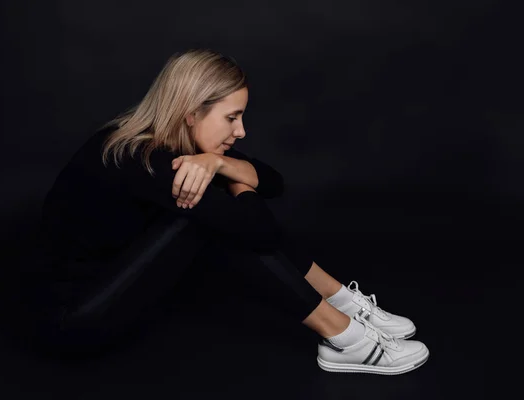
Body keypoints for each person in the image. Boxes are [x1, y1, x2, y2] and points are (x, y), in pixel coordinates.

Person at [28, 48, 429, 374]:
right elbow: (260, 230)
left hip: (98, 285)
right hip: (70, 320)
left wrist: (221, 164)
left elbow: (273, 182)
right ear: (191, 113)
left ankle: (342, 302)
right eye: (232, 117)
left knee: (226, 206)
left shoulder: (177, 146)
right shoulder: (149, 161)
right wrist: (230, 175)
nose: (240, 132)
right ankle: (344, 338)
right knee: (213, 222)